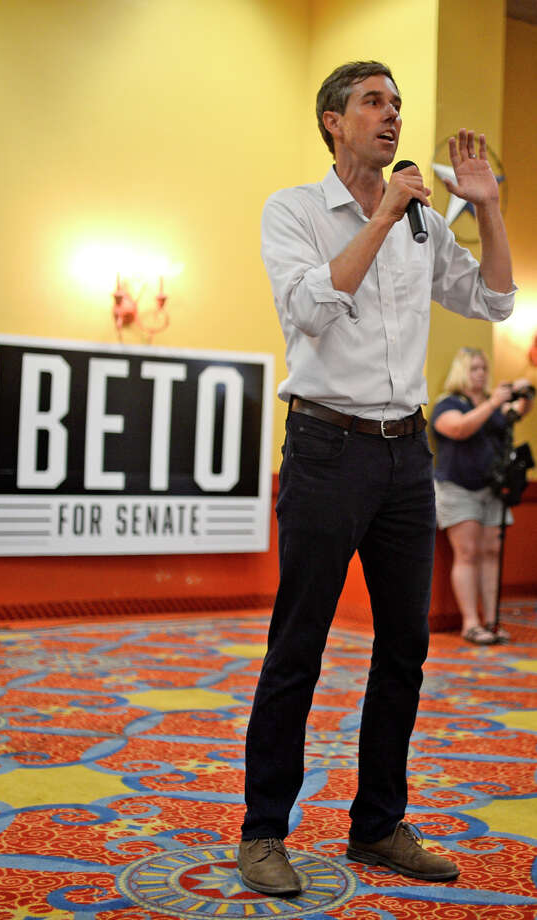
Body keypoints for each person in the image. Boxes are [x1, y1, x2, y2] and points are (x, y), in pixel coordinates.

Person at [237, 60, 516, 896]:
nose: (391, 116)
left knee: (404, 648)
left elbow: (495, 302)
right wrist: (388, 211)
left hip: (406, 461)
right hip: (325, 450)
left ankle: (377, 825)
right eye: (372, 102)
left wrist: (489, 209)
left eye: (396, 104)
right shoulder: (291, 210)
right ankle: (262, 833)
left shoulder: (426, 226)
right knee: (299, 646)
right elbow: (312, 311)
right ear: (332, 120)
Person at [431, 347, 533, 645]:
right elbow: (459, 429)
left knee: (491, 554)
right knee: (467, 553)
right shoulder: (448, 403)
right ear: (462, 371)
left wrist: (523, 391)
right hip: (458, 488)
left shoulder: (494, 403)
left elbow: (518, 413)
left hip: (493, 489)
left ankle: (491, 621)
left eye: (484, 368)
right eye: (474, 368)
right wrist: (492, 403)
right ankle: (470, 623)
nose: (481, 374)